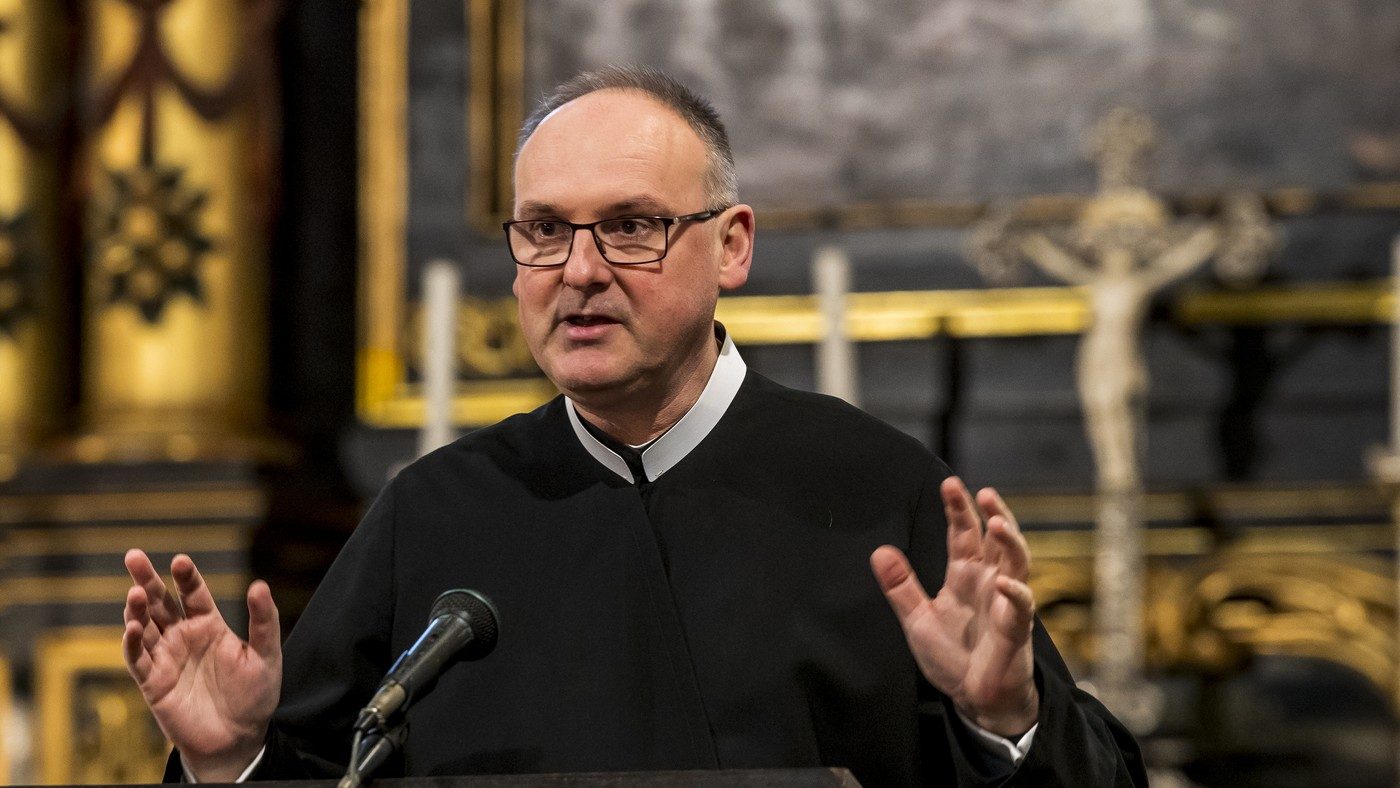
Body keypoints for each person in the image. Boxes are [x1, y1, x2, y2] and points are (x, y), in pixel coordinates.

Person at [122, 65, 1145, 786]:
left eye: (629, 226)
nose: (578, 270)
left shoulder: (877, 491)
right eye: (543, 229)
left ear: (731, 246)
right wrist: (231, 760)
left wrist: (1004, 720)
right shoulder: (433, 513)